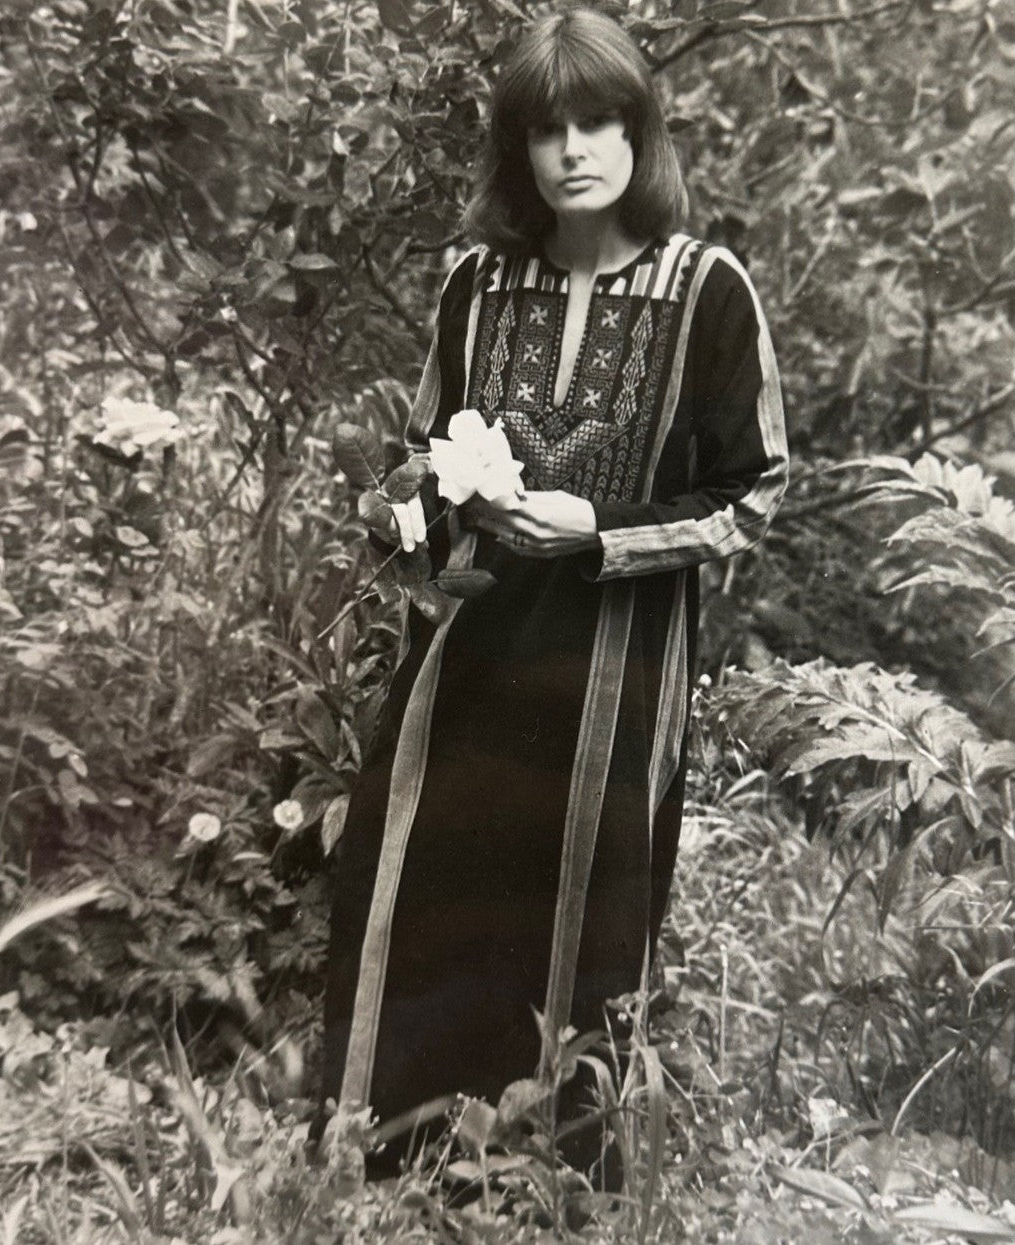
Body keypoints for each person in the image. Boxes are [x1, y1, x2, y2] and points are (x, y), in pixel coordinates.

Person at [320, 5, 788, 1179]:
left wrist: (600, 526)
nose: (574, 148)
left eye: (600, 120)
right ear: (518, 146)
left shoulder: (707, 291)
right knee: (415, 855)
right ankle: (390, 1151)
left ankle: (553, 1177)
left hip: (616, 662)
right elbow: (422, 452)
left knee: (580, 898)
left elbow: (754, 493)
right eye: (547, 127)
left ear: (642, 132)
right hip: (476, 641)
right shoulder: (478, 286)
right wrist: (404, 508)